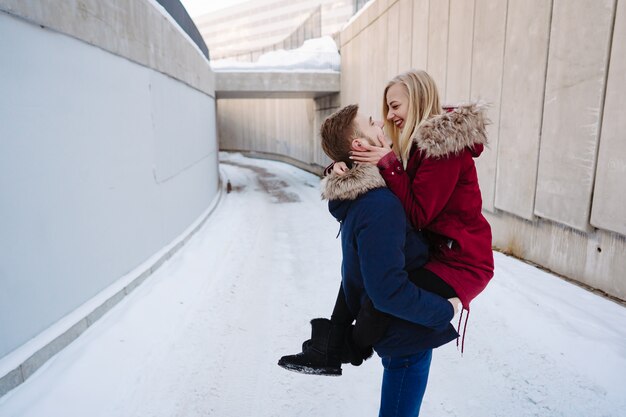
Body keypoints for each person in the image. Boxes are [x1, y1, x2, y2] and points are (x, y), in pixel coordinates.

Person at [279, 104, 460, 416]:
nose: (381, 122)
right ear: (359, 146)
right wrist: (443, 311)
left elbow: (358, 274)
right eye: (371, 122)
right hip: (406, 334)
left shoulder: (364, 197)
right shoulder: (379, 205)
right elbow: (387, 290)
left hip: (397, 331)